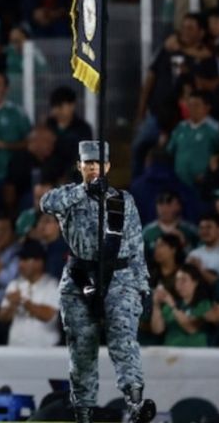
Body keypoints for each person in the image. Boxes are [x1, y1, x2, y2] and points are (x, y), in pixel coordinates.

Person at [40, 141, 155, 423]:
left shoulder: (122, 200)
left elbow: (137, 246)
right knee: (82, 347)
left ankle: (135, 401)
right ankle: (84, 411)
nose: (93, 168)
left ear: (108, 167)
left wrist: (144, 286)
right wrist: (84, 191)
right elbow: (47, 203)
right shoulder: (69, 197)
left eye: (99, 164)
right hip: (80, 277)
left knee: (122, 338)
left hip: (120, 276)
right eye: (88, 163)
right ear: (79, 166)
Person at [0, 240, 61, 347]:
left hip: (45, 349)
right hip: (16, 347)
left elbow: (48, 315)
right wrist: (12, 305)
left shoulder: (52, 285)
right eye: (20, 260)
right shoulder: (14, 284)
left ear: (39, 262)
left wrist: (23, 302)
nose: (21, 264)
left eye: (26, 260)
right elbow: (2, 318)